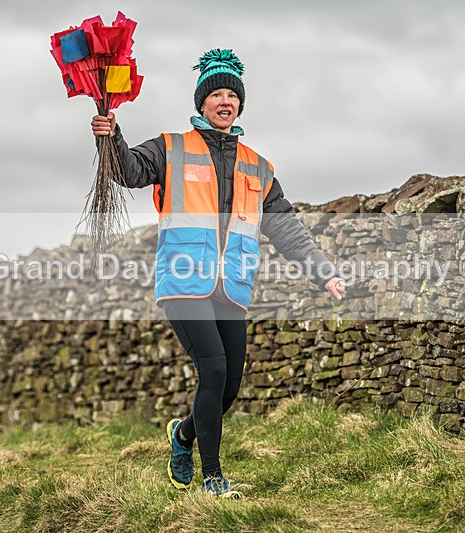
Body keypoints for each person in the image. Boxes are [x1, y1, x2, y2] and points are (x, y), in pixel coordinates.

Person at [91, 49, 345, 499]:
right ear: (202, 103)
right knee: (212, 370)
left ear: (240, 105)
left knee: (229, 388)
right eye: (216, 95)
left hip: (232, 286)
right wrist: (110, 137)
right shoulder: (171, 148)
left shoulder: (258, 166)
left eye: (232, 95)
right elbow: (127, 171)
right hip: (184, 281)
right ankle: (213, 478)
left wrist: (322, 273)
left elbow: (285, 227)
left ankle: (183, 435)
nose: (224, 101)